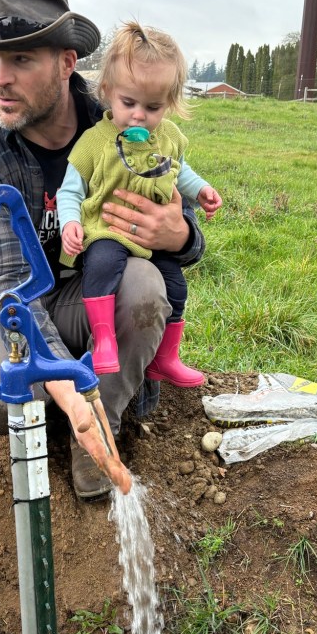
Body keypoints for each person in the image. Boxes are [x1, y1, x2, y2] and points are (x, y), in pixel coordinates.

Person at [0, 0, 206, 499]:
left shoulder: (123, 119)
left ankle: (100, 426)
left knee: (144, 287)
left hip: (87, 291)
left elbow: (177, 221)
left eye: (21, 59)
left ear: (66, 63)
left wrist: (182, 234)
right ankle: (65, 393)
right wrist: (69, 389)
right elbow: (5, 287)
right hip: (0, 305)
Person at [58, 22, 221, 386]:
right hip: (107, 230)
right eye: (128, 103)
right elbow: (70, 190)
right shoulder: (94, 141)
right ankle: (104, 341)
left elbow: (180, 171)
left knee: (175, 284)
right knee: (101, 265)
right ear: (107, 91)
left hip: (153, 236)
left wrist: (201, 190)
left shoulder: (169, 137)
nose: (138, 116)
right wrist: (70, 222)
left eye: (153, 107)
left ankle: (165, 358)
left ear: (170, 103)